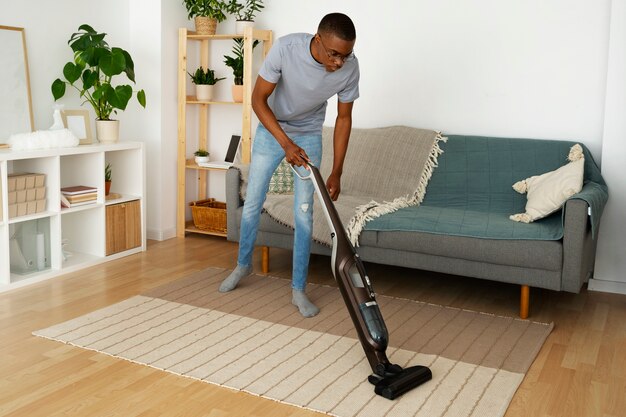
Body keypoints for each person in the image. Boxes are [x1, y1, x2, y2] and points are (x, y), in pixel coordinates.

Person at [219, 12, 360, 318]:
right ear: (318, 39)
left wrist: (336, 171)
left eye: (345, 56)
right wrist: (285, 143)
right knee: (253, 199)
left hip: (309, 134)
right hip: (273, 130)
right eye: (334, 54)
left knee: (305, 213)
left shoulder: (350, 67)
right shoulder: (286, 49)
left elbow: (344, 118)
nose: (338, 63)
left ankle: (298, 289)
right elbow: (258, 100)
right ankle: (243, 266)